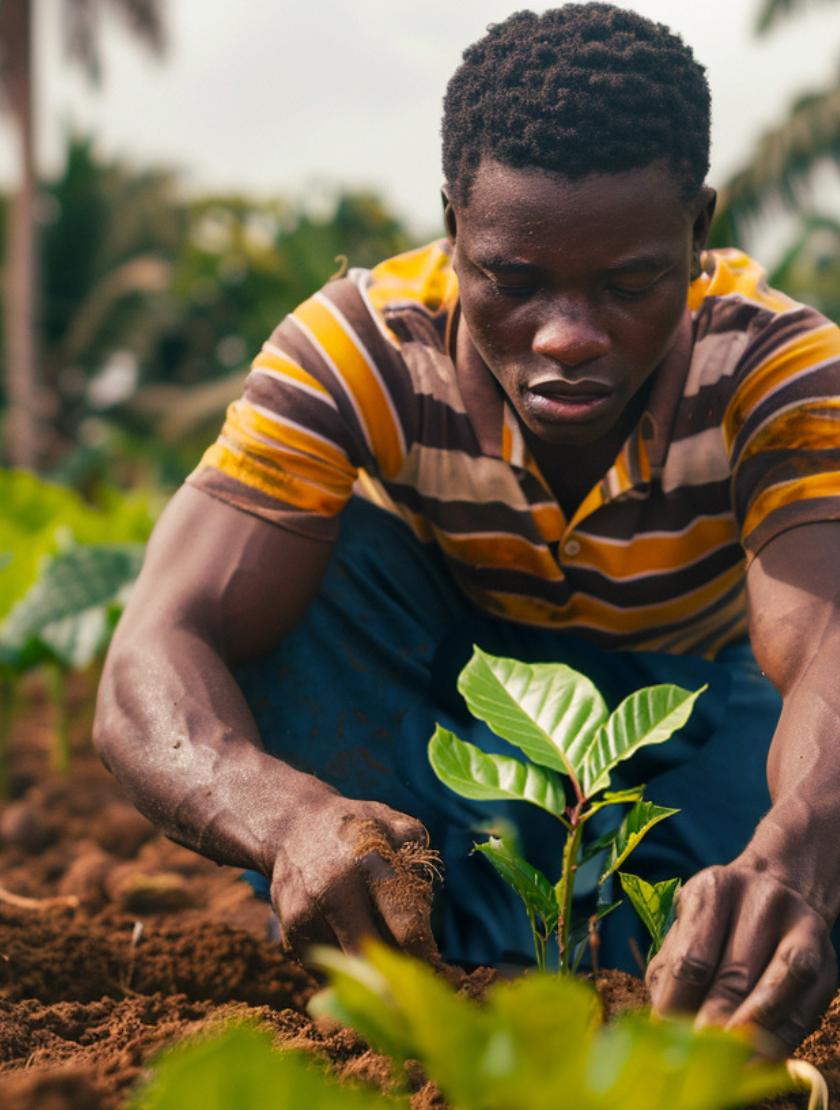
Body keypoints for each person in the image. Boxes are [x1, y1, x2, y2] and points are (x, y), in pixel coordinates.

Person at [94, 3, 840, 1055]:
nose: (568, 337)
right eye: (514, 280)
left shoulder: (777, 371)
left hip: (697, 767)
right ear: (455, 226)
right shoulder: (356, 352)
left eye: (629, 284)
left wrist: (795, 860)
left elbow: (829, 643)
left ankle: (698, 943)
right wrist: (291, 820)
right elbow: (150, 658)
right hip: (453, 766)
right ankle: (410, 938)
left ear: (699, 231)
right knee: (318, 565)